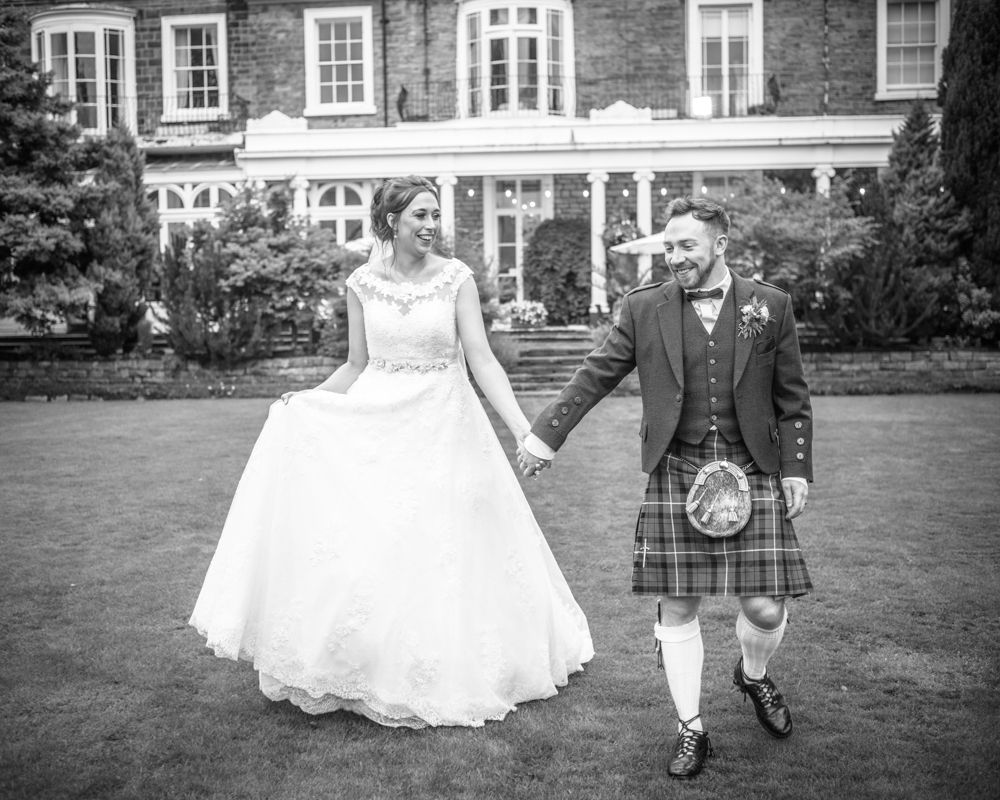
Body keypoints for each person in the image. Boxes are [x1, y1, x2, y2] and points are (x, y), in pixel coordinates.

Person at [190, 175, 593, 728]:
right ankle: (366, 665)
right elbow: (356, 364)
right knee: (374, 546)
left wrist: (526, 429)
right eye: (418, 217)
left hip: (445, 425)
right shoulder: (361, 282)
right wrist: (307, 400)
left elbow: (481, 359)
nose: (430, 226)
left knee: (445, 547)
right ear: (391, 222)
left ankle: (450, 663)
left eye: (434, 215)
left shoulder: (456, 279)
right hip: (378, 426)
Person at [518, 196, 812, 778]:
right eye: (669, 246)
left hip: (751, 467)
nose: (674, 256)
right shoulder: (644, 307)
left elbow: (793, 399)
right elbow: (597, 371)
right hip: (677, 467)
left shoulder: (770, 306)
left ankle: (752, 676)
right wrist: (545, 435)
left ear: (720, 245)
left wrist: (797, 467)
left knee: (766, 606)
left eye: (687, 246)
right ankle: (690, 727)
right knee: (678, 603)